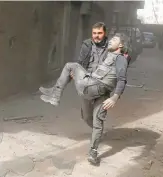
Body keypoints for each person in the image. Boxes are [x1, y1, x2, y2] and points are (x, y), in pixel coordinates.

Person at [40, 22, 128, 165]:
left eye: (100, 33)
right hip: (89, 82)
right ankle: (97, 133)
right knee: (87, 117)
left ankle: (93, 151)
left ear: (105, 34)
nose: (97, 36)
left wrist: (114, 97)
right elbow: (82, 62)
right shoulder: (89, 45)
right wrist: (77, 74)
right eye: (94, 33)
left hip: (101, 91)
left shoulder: (118, 56)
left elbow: (122, 78)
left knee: (98, 120)